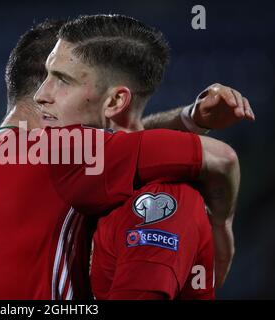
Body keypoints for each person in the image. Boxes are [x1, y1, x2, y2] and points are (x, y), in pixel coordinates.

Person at [33, 14, 248, 299]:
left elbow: (223, 158)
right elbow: (132, 142)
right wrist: (189, 119)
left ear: (114, 102)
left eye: (62, 80)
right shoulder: (86, 166)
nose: (40, 94)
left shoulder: (159, 200)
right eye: (47, 74)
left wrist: (222, 224)